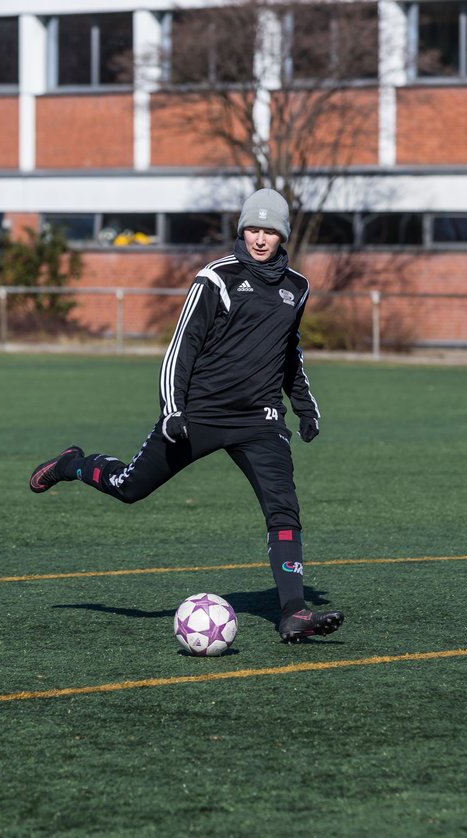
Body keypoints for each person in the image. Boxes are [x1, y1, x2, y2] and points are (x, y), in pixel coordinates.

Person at [28, 188, 343, 644]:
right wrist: (173, 410)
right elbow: (182, 348)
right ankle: (73, 463)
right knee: (131, 488)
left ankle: (294, 611)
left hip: (261, 420)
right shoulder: (215, 278)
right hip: (199, 414)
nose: (259, 238)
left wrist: (304, 405)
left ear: (282, 235)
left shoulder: (297, 288)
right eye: (253, 228)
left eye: (269, 230)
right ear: (242, 230)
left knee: (283, 508)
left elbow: (288, 351)